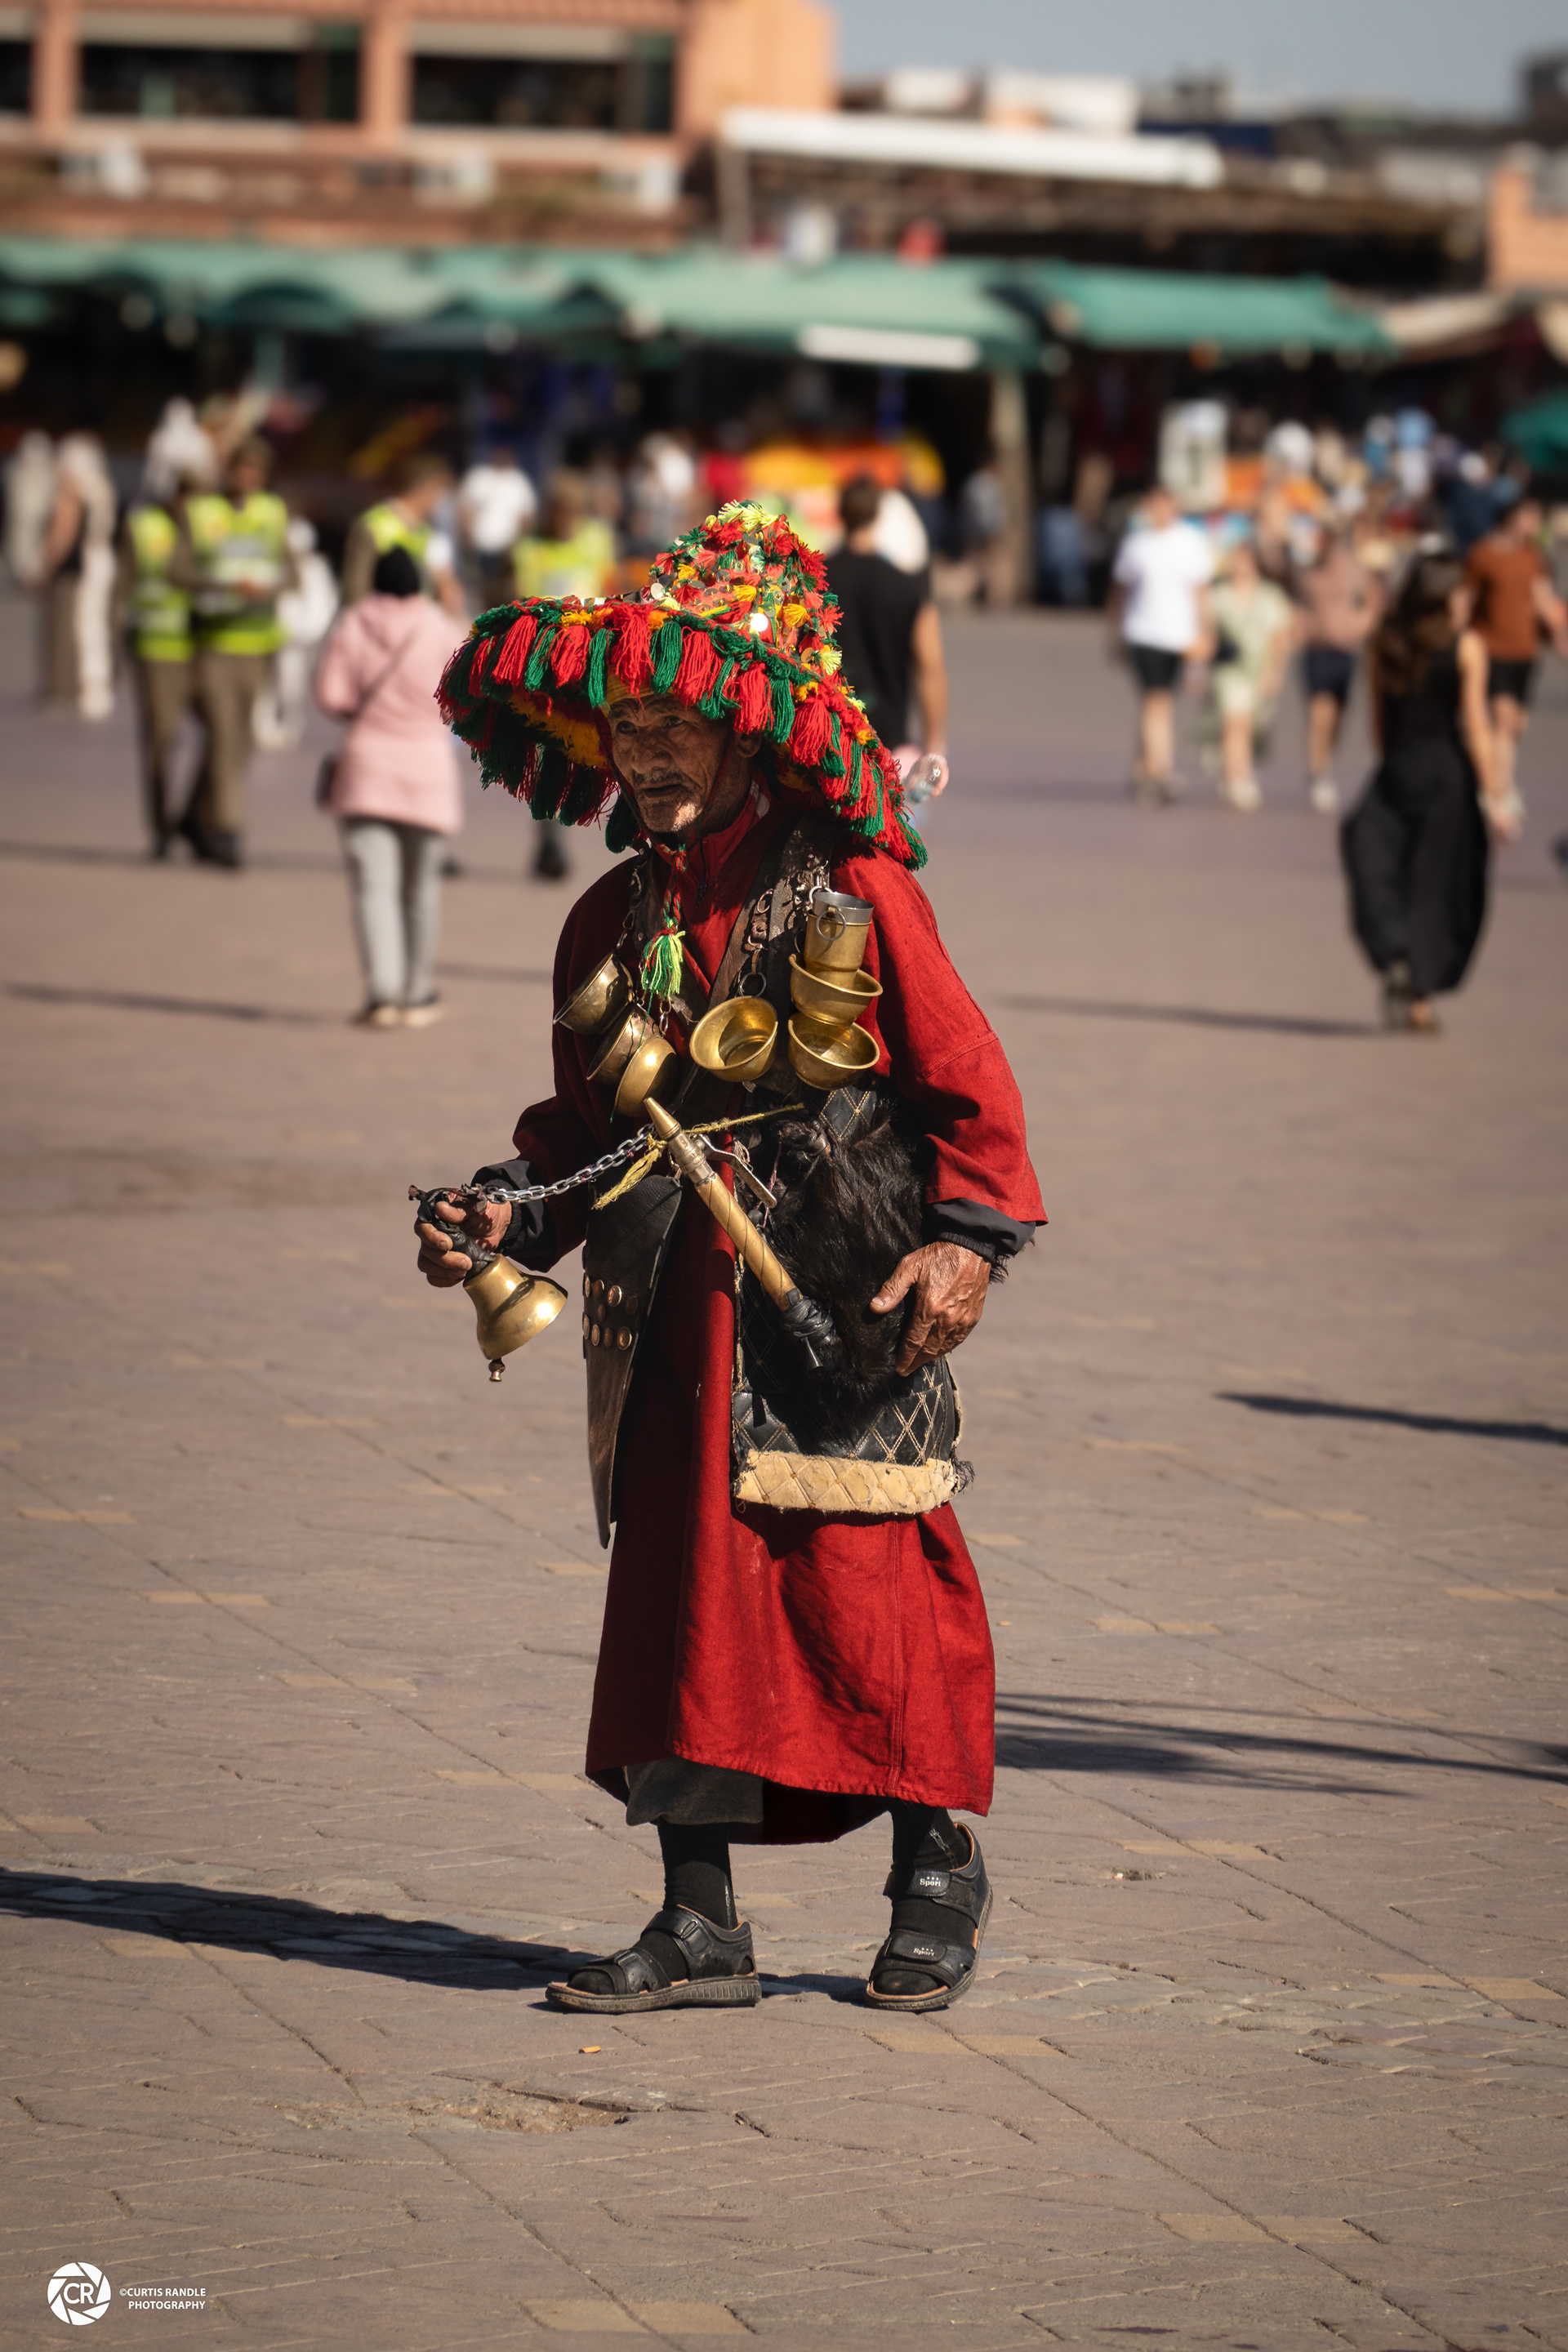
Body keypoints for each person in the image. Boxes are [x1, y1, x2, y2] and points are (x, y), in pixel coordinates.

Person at [417, 501, 1045, 2016]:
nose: (644, 751)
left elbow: (971, 1081)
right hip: (669, 1309)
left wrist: (969, 1246)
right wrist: (508, 1208)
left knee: (870, 1590)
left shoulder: (854, 890)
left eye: (676, 720)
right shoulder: (604, 919)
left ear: (751, 735)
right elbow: (581, 1130)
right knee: (682, 1605)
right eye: (623, 721)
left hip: (840, 1290)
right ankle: (698, 1919)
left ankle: (935, 1876)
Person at [1340, 551, 1516, 1034]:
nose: (1467, 600)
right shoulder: (1466, 648)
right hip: (1445, 774)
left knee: (1378, 863)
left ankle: (1394, 948)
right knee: (1436, 884)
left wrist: (1392, 762)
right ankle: (1418, 991)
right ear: (1446, 597)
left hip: (1397, 766)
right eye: (1462, 592)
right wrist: (1496, 795)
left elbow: (1378, 718)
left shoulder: (1385, 640)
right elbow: (1476, 726)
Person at [314, 546, 464, 1029]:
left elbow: (330, 695)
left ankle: (382, 993)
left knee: (373, 888)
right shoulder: (439, 625)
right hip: (427, 770)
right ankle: (417, 992)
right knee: (422, 889)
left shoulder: (353, 622)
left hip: (366, 767)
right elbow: (464, 691)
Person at [172, 436, 294, 869]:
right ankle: (227, 828)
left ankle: (192, 818)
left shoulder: (274, 512)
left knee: (238, 742)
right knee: (223, 734)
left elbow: (291, 574)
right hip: (212, 642)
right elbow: (178, 570)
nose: (248, 479)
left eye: (256, 472)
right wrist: (222, 586)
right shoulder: (201, 512)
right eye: (241, 469)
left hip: (258, 641)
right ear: (229, 470)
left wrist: (266, 587)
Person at [512, 471, 618, 879]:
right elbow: (525, 599)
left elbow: (612, 587)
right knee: (547, 749)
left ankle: (573, 823)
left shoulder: (597, 540)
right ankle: (549, 838)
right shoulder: (530, 547)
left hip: (590, 656)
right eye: (560, 513)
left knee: (590, 746)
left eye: (572, 513)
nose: (566, 521)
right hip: (545, 660)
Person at [824, 475, 948, 802]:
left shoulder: (816, 579)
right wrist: (935, 750)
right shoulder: (908, 584)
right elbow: (930, 667)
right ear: (879, 515)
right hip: (890, 750)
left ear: (841, 514)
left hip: (827, 741)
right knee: (891, 849)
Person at [1110, 485, 1214, 805]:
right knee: (1157, 700)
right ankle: (1161, 769)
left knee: (1159, 700)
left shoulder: (1190, 542)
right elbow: (1120, 592)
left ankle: (1142, 767)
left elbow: (1200, 592)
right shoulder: (1137, 544)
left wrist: (1205, 631)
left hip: (1178, 634)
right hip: (1143, 631)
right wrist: (1113, 631)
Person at [1464, 497, 1568, 814]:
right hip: (1492, 647)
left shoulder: (1534, 557)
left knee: (1516, 724)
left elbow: (1545, 599)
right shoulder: (1483, 555)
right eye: (1530, 517)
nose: (1535, 524)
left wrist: (1559, 636)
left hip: (1527, 650)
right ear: (1511, 518)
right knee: (1504, 719)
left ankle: (1496, 781)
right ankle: (1497, 787)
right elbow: (1468, 598)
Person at [114, 481, 194, 856]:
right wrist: (114, 648)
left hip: (215, 646)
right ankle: (162, 827)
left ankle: (202, 819)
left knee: (228, 738)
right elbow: (123, 587)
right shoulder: (143, 527)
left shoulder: (220, 522)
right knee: (161, 741)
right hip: (158, 646)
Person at [1203, 537, 1293, 813]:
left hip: (1258, 667)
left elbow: (1281, 636)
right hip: (1229, 668)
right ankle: (1237, 778)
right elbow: (1204, 631)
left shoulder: (1270, 595)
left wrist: (1276, 670)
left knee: (1250, 725)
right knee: (1234, 721)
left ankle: (1237, 768)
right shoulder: (1217, 593)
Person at [1297, 525, 1382, 816]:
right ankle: (1317, 771)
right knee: (1320, 711)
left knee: (1338, 714)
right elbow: (1291, 597)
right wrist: (1303, 623)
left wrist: (1360, 625)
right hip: (1317, 647)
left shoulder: (1354, 568)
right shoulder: (1307, 570)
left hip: (1345, 650)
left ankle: (1326, 760)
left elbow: (1373, 602)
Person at [33, 433, 118, 719]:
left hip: (85, 561)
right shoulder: (102, 486)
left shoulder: (75, 487)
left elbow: (64, 528)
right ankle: (96, 680)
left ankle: (87, 684)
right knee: (95, 622)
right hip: (103, 558)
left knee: (83, 623)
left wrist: (45, 563)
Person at [341, 452, 464, 619]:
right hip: (377, 631)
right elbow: (355, 594)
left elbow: (447, 594)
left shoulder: (426, 533)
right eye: (440, 491)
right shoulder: (374, 525)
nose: (442, 500)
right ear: (424, 489)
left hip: (413, 631)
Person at [252, 519, 338, 752]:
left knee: (291, 684)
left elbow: (323, 604)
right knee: (264, 684)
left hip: (297, 639)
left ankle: (290, 723)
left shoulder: (315, 569)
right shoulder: (274, 564)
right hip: (269, 635)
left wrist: (307, 632)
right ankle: (264, 725)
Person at [456, 447, 537, 612]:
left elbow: (527, 515)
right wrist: (466, 537)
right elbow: (464, 509)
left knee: (505, 592)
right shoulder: (479, 477)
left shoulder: (517, 480)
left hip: (507, 550)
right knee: (481, 590)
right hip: (480, 547)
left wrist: (520, 542)